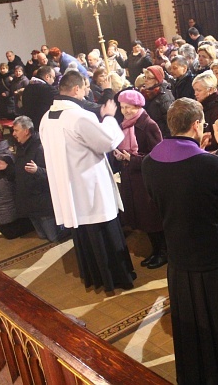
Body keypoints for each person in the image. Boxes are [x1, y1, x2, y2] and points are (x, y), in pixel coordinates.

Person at [141, 99, 218, 385]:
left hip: (180, 259)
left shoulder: (150, 162)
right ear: (198, 125)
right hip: (215, 259)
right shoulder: (208, 162)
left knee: (195, 328)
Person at [40, 70, 136, 292]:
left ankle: (95, 277)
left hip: (69, 187)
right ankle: (116, 278)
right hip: (90, 187)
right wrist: (110, 117)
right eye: (84, 87)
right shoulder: (78, 116)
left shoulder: (47, 117)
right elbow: (107, 141)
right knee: (104, 232)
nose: (86, 92)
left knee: (84, 233)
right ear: (75, 89)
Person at [112, 90, 165, 268]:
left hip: (145, 179)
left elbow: (158, 156)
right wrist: (120, 156)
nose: (125, 111)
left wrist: (131, 159)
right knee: (143, 220)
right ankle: (156, 250)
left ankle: (163, 252)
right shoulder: (125, 125)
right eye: (122, 107)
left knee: (152, 219)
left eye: (128, 107)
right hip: (132, 178)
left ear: (138, 106)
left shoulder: (149, 125)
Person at [12, 116, 64, 242]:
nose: (13, 134)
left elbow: (54, 173)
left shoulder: (40, 148)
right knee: (42, 235)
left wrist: (38, 170)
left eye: (16, 130)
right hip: (28, 200)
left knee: (53, 237)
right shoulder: (20, 147)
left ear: (26, 131)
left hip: (41, 200)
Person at [193, 71, 218, 151]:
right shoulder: (200, 104)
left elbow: (217, 137)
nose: (195, 94)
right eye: (195, 90)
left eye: (199, 90)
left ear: (211, 90)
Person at [140, 66, 174, 138]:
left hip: (160, 136)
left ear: (157, 80)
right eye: (145, 77)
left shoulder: (165, 97)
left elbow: (170, 122)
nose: (145, 80)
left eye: (149, 78)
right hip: (150, 135)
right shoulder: (146, 93)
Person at [20, 65, 57, 131]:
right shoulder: (48, 90)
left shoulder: (28, 88)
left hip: (29, 126)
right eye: (53, 78)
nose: (54, 81)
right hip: (43, 126)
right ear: (47, 76)